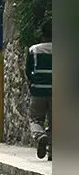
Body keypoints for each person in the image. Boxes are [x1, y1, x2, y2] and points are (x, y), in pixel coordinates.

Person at [26, 23, 52, 160]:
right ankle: (52, 153)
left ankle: (40, 135)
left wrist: (32, 84)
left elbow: (28, 71)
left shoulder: (34, 50)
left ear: (42, 34)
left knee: (35, 118)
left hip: (38, 91)